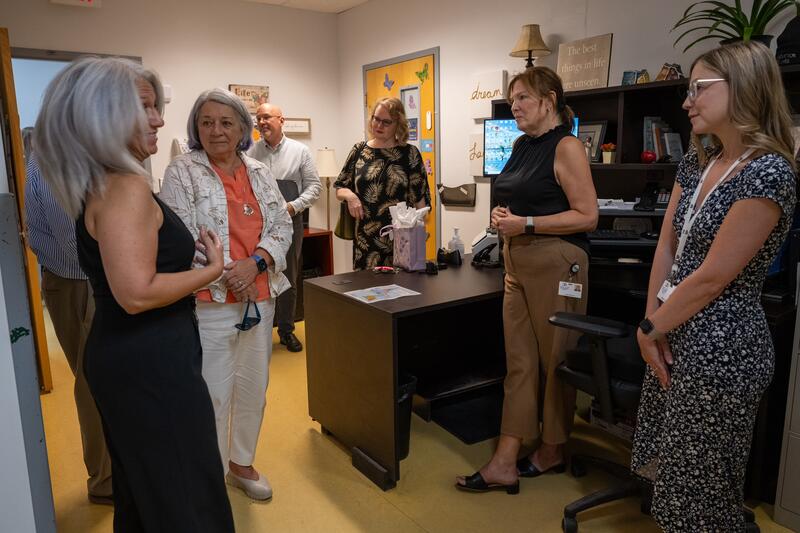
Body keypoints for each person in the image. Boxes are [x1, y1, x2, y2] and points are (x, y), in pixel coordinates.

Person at [34, 57, 234, 531]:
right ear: (106, 114)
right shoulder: (125, 187)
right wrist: (213, 271)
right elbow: (137, 293)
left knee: (150, 491)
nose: (161, 120)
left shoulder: (100, 179)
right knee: (184, 493)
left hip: (129, 354)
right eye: (146, 108)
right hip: (149, 360)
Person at [631, 41, 797, 531]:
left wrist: (649, 329)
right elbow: (666, 249)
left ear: (744, 85)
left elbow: (712, 278)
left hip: (721, 346)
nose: (688, 101)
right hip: (672, 332)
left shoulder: (770, 172)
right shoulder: (697, 163)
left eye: (699, 89)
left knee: (701, 497)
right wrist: (652, 327)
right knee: (671, 485)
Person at [456, 66, 598, 494]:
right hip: (516, 262)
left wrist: (528, 224)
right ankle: (506, 458)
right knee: (518, 362)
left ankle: (553, 447)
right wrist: (502, 217)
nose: (514, 106)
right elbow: (514, 199)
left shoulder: (567, 145)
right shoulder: (522, 144)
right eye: (512, 98)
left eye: (523, 98)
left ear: (550, 101)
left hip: (558, 262)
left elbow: (587, 215)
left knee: (556, 361)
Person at [160, 88, 292, 501]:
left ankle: (241, 463)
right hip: (209, 302)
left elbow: (281, 226)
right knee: (213, 393)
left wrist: (255, 263)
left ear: (242, 129)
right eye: (206, 122)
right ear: (196, 129)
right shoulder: (182, 170)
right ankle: (209, 479)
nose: (216, 130)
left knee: (254, 387)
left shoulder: (258, 170)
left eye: (226, 122)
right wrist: (225, 273)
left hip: (260, 294)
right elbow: (180, 235)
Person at [25, 154, 113, 506]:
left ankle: (116, 468)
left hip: (95, 276)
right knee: (93, 381)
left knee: (106, 378)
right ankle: (105, 480)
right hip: (82, 280)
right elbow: (74, 241)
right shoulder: (56, 159)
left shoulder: (90, 149)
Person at [248, 102, 321, 352]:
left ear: (281, 120)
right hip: (257, 223)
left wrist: (292, 207)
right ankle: (260, 331)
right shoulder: (249, 152)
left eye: (267, 117)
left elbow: (314, 187)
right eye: (258, 118)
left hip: (290, 220)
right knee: (258, 274)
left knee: (288, 276)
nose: (262, 122)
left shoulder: (300, 151)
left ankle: (287, 330)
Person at [334, 97, 431, 270]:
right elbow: (340, 186)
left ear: (398, 124)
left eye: (386, 122)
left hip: (402, 241)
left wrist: (419, 234)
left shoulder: (409, 153)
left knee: (404, 293)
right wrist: (350, 196)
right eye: (376, 119)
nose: (378, 125)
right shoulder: (359, 150)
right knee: (365, 293)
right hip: (364, 241)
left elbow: (420, 201)